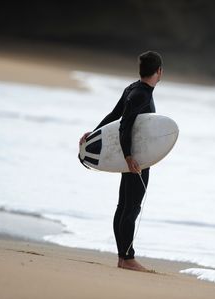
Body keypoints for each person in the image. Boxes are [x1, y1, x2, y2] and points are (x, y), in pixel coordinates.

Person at [79, 51, 163, 272]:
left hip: (132, 158)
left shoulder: (133, 88)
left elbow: (113, 116)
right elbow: (124, 125)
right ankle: (127, 258)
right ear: (159, 72)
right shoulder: (141, 95)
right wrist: (128, 157)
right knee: (131, 208)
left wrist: (93, 134)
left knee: (124, 206)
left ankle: (122, 257)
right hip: (135, 160)